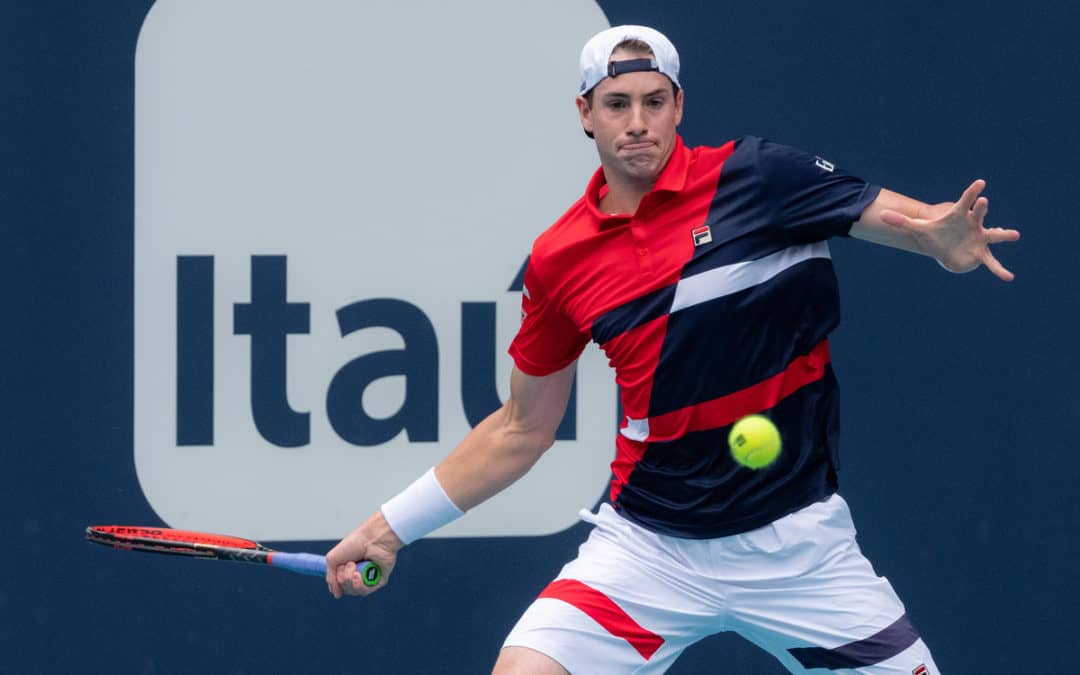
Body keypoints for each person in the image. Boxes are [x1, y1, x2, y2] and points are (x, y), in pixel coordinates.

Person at [325, 25, 1019, 674]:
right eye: (617, 103)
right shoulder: (560, 259)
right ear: (585, 112)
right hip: (648, 552)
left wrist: (938, 237)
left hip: (799, 550)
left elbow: (901, 218)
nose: (637, 122)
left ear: (678, 104)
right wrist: (390, 526)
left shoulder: (759, 179)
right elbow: (520, 428)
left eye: (654, 102)